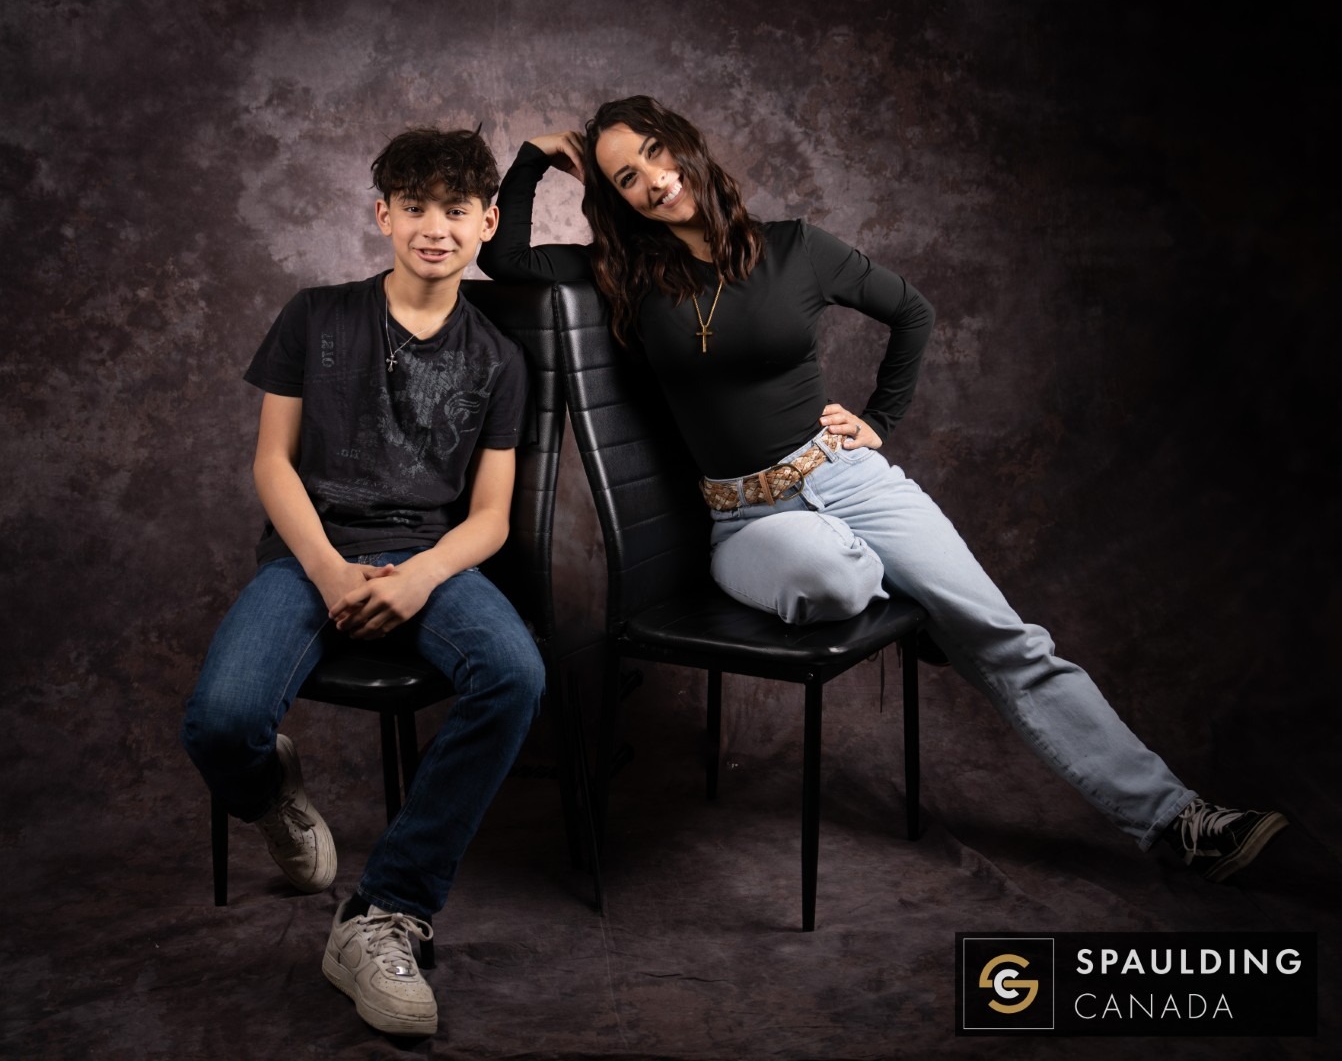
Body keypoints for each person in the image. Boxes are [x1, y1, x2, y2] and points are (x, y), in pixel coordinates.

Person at [478, 95, 1286, 885]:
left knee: (1006, 636)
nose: (654, 180)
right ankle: (918, 596)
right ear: (616, 199)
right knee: (838, 579)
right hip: (748, 523)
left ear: (684, 145)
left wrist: (879, 419)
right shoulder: (622, 276)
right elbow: (505, 260)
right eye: (626, 177)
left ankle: (1176, 818)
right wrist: (532, 160)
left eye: (656, 154)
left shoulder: (798, 247)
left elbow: (913, 312)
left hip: (850, 480)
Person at [181, 126, 545, 1037]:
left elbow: (491, 516)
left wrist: (421, 576)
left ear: (487, 222)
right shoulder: (317, 315)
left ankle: (383, 912)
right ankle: (269, 789)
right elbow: (272, 462)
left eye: (456, 210)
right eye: (414, 207)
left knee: (515, 675)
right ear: (383, 215)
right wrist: (328, 569)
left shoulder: (500, 359)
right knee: (221, 724)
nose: (435, 228)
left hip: (429, 555)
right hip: (312, 550)